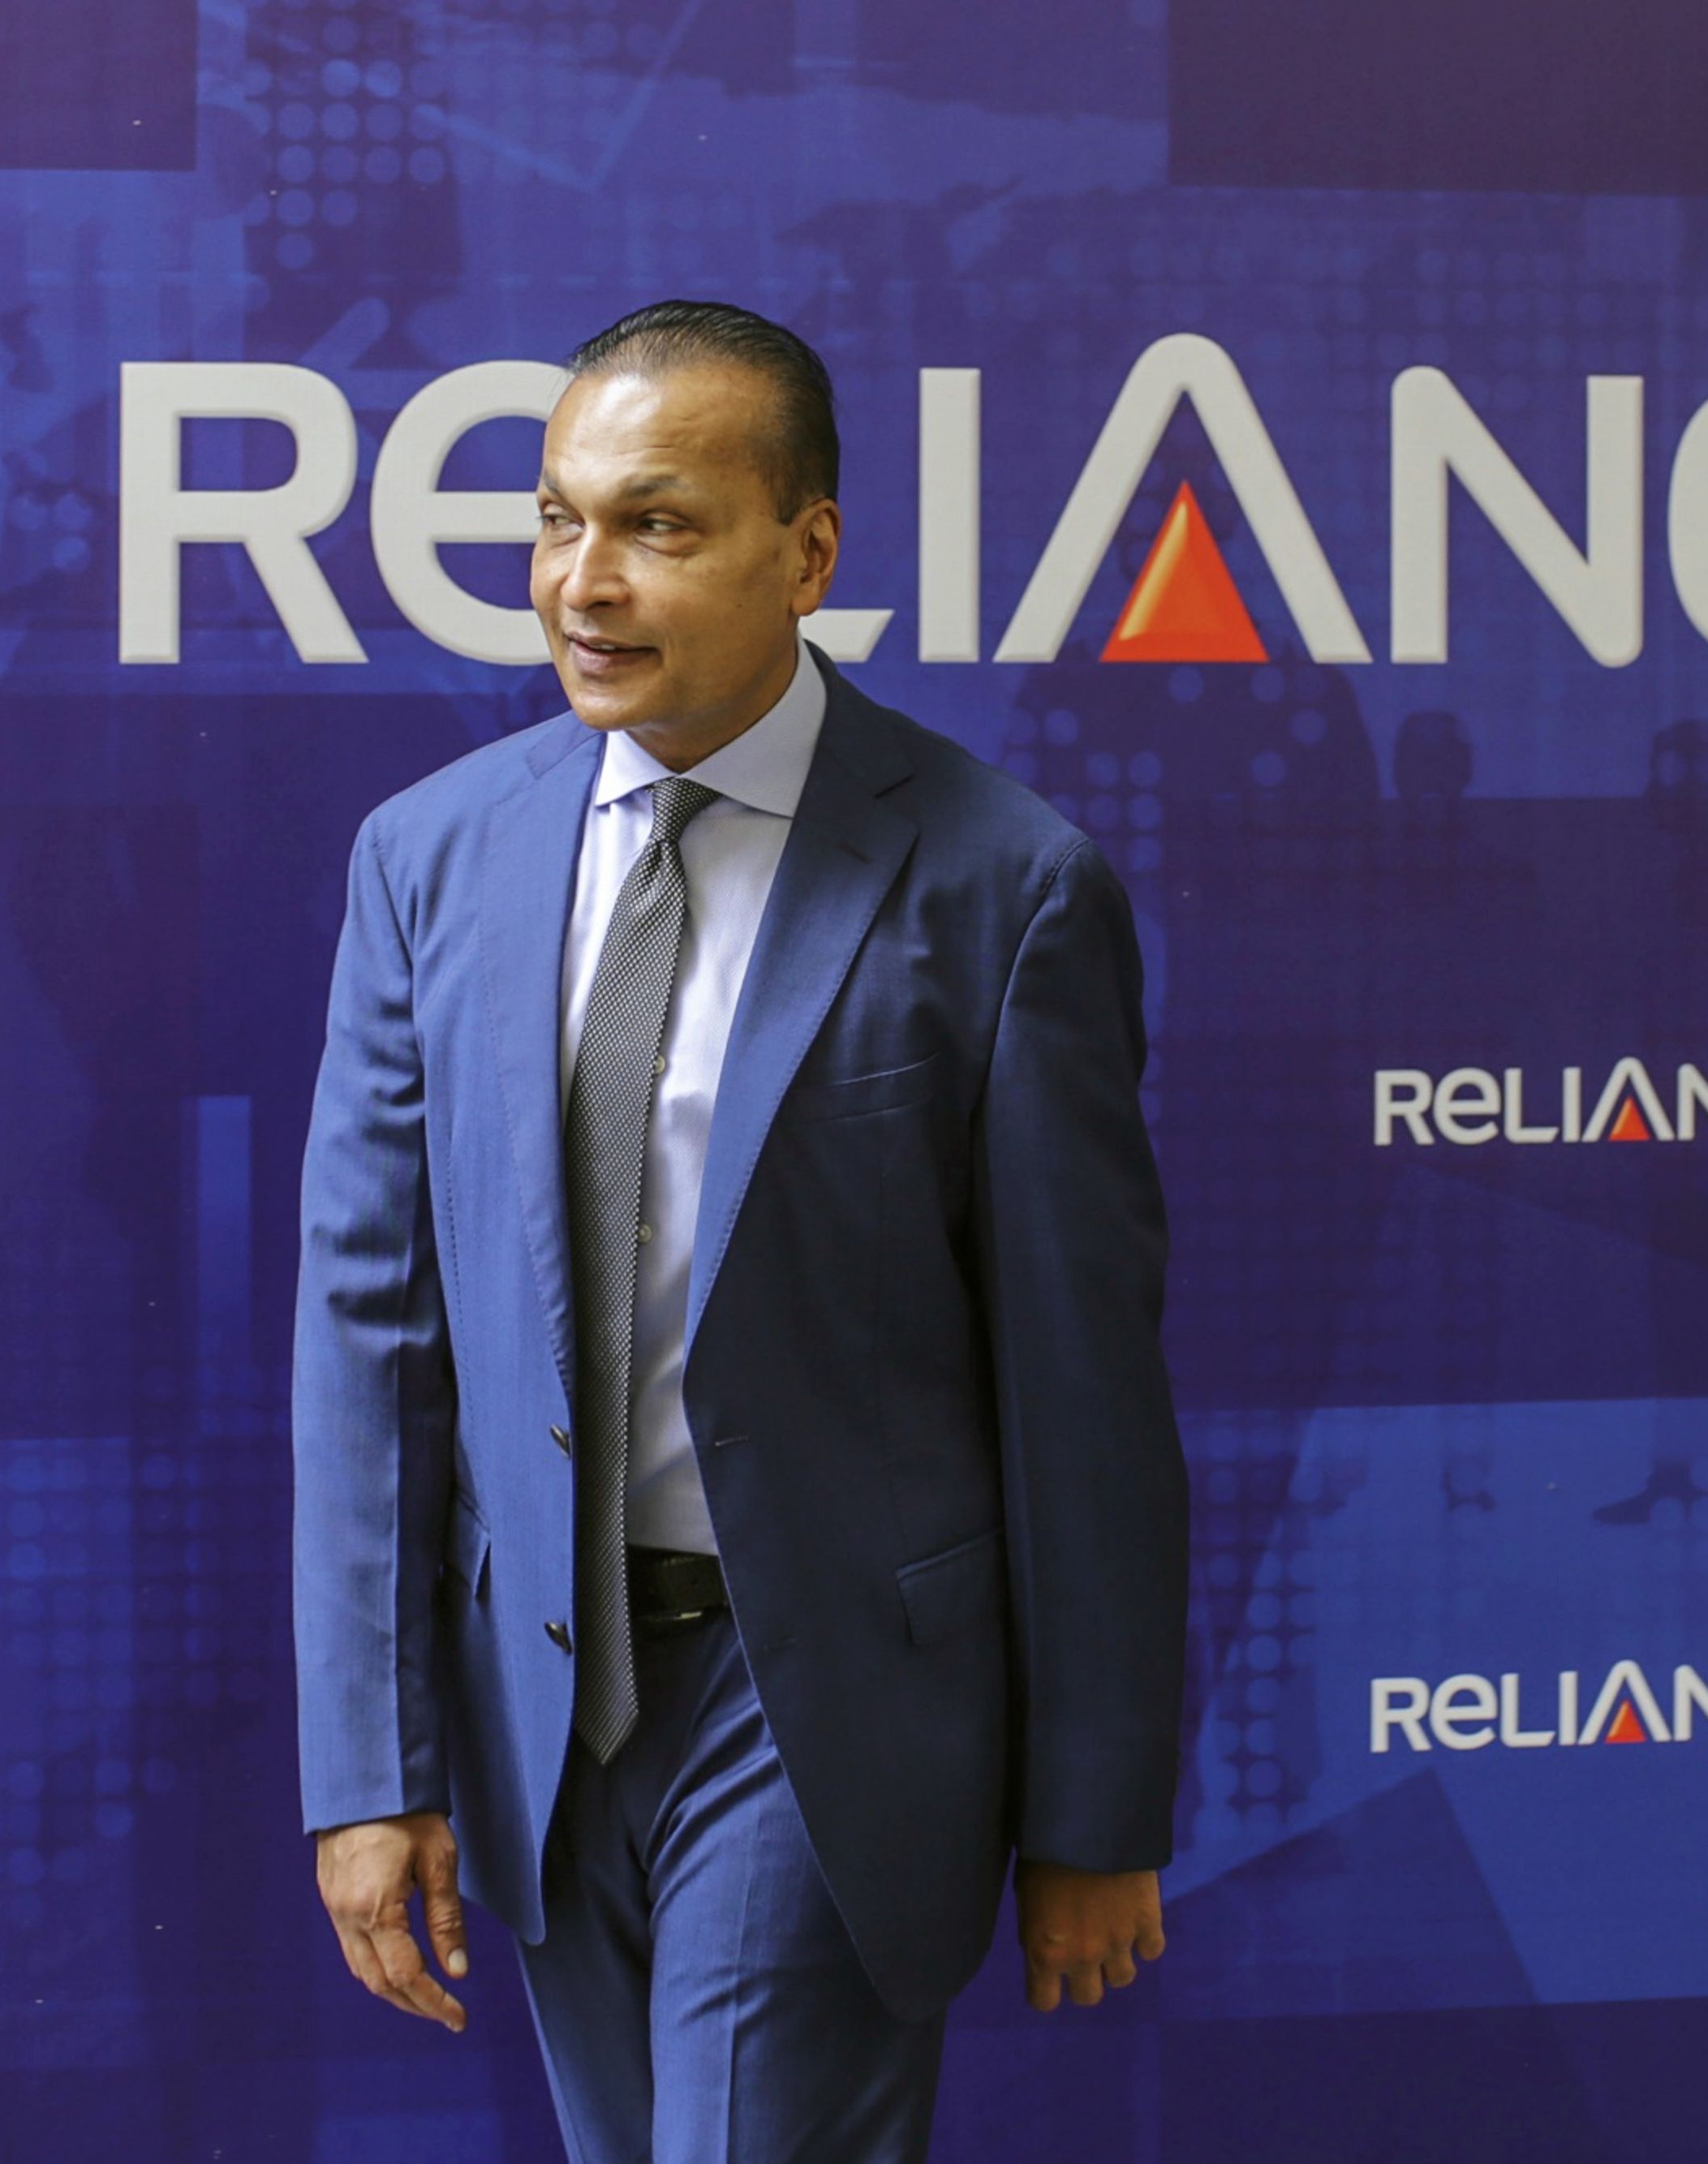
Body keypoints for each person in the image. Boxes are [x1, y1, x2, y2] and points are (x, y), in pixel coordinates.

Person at [291, 299, 1190, 2161]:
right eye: (558, 520)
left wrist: (1096, 1805)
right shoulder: (427, 857)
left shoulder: (1004, 882)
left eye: (658, 526)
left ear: (809, 551)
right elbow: (372, 1336)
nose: (583, 583)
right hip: (543, 1707)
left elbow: (1083, 1391)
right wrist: (370, 1768)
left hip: (824, 1707)